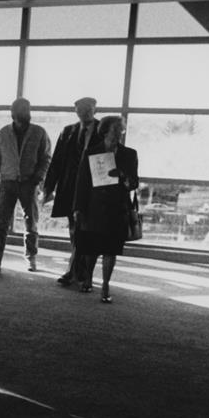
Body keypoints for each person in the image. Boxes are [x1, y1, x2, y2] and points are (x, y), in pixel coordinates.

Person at [71, 115, 139, 302]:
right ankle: (89, 279)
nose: (119, 134)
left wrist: (123, 176)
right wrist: (78, 208)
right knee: (92, 248)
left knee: (111, 249)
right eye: (116, 130)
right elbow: (82, 183)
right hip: (94, 208)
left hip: (117, 209)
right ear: (105, 131)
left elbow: (134, 183)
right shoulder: (91, 152)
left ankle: (106, 285)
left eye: (121, 130)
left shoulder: (129, 154)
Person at [0, 97, 51, 276]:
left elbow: (46, 158)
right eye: (20, 110)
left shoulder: (39, 133)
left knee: (31, 223)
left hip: (29, 183)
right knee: (1, 225)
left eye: (26, 110)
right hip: (7, 182)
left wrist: (39, 177)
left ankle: (31, 257)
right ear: (12, 113)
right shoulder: (2, 134)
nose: (24, 113)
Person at [43, 96, 102, 287]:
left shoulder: (103, 130)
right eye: (80, 109)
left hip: (93, 190)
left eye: (88, 108)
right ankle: (79, 271)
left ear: (95, 109)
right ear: (75, 111)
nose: (84, 112)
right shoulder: (68, 131)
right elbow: (57, 161)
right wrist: (48, 188)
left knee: (84, 230)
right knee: (74, 230)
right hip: (70, 189)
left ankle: (74, 271)